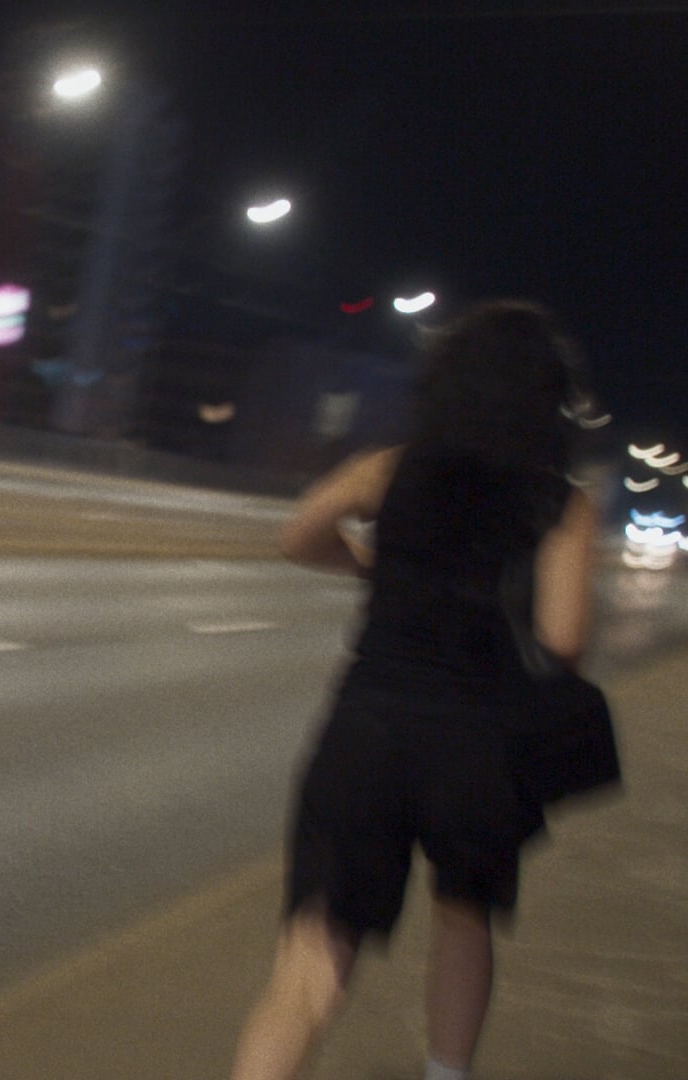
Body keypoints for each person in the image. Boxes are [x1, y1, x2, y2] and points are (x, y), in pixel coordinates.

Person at [229, 300, 600, 1080]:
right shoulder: (560, 502)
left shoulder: (388, 467)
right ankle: (444, 1070)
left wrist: (373, 567)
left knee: (313, 955)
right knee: (464, 919)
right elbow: (564, 641)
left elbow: (298, 535)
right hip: (479, 748)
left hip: (366, 732)